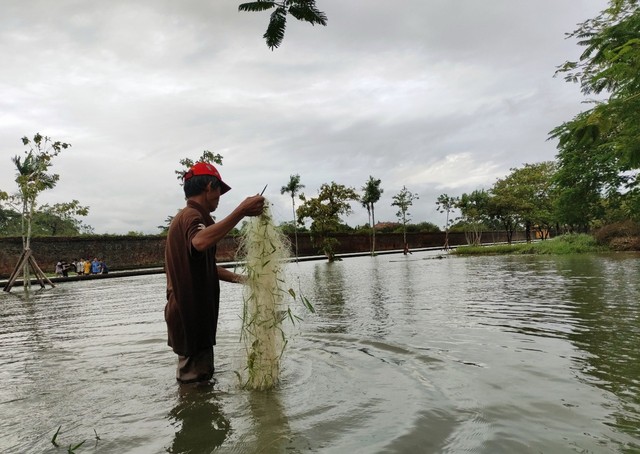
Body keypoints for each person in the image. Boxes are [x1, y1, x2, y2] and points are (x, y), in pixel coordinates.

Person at [164, 162, 265, 385]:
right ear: (210, 187)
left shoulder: (187, 217)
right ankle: (193, 416)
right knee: (194, 384)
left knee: (199, 378)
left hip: (188, 314)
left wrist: (246, 280)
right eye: (219, 190)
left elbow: (206, 266)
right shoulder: (192, 217)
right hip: (190, 314)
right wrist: (241, 211)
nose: (220, 197)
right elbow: (199, 242)